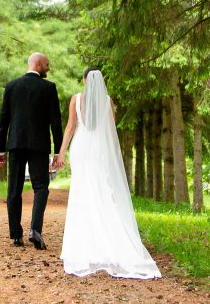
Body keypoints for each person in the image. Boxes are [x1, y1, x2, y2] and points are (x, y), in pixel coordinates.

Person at [55, 67, 161, 279]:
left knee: (82, 193)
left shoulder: (76, 99)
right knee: (102, 192)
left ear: (85, 81)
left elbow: (70, 127)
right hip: (100, 151)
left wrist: (61, 153)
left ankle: (84, 246)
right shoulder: (108, 101)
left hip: (81, 148)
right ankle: (109, 242)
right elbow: (111, 133)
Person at [0, 52, 64, 249]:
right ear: (37, 64)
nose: (48, 68)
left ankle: (16, 235)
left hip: (15, 144)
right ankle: (35, 230)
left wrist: (0, 149)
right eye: (47, 65)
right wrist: (58, 151)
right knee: (41, 187)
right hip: (39, 145)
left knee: (14, 189)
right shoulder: (49, 88)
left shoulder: (11, 86)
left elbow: (3, 121)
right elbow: (55, 123)